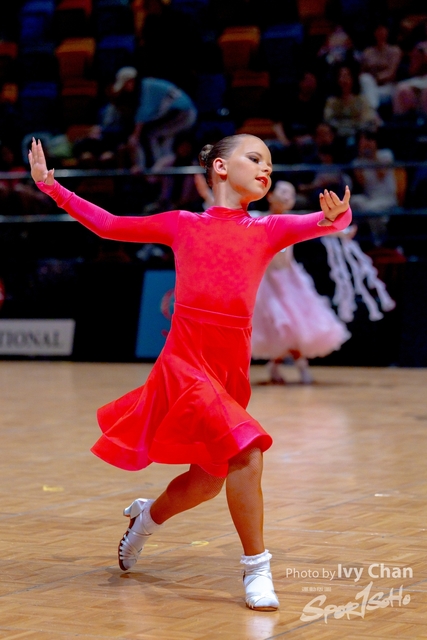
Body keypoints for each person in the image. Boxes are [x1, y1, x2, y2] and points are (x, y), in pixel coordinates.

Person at [28, 134, 352, 612]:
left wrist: (336, 214)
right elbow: (111, 225)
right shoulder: (183, 223)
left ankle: (144, 520)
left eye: (269, 163)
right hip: (185, 365)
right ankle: (256, 567)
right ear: (220, 167)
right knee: (248, 451)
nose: (266, 169)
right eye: (255, 158)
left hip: (230, 373)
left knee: (207, 481)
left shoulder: (267, 229)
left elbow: (329, 222)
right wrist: (52, 188)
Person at [249, 181, 351, 385]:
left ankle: (283, 364)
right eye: (283, 192)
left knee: (293, 324)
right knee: (281, 326)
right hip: (268, 282)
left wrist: (344, 232)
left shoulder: (294, 221)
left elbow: (321, 226)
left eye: (292, 193)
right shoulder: (258, 218)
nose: (288, 196)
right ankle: (295, 364)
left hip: (290, 280)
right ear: (270, 195)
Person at [128, 75, 198, 172]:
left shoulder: (146, 86)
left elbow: (144, 112)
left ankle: (153, 170)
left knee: (148, 133)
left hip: (181, 112)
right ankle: (161, 168)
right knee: (164, 140)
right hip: (187, 112)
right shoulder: (152, 85)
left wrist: (135, 135)